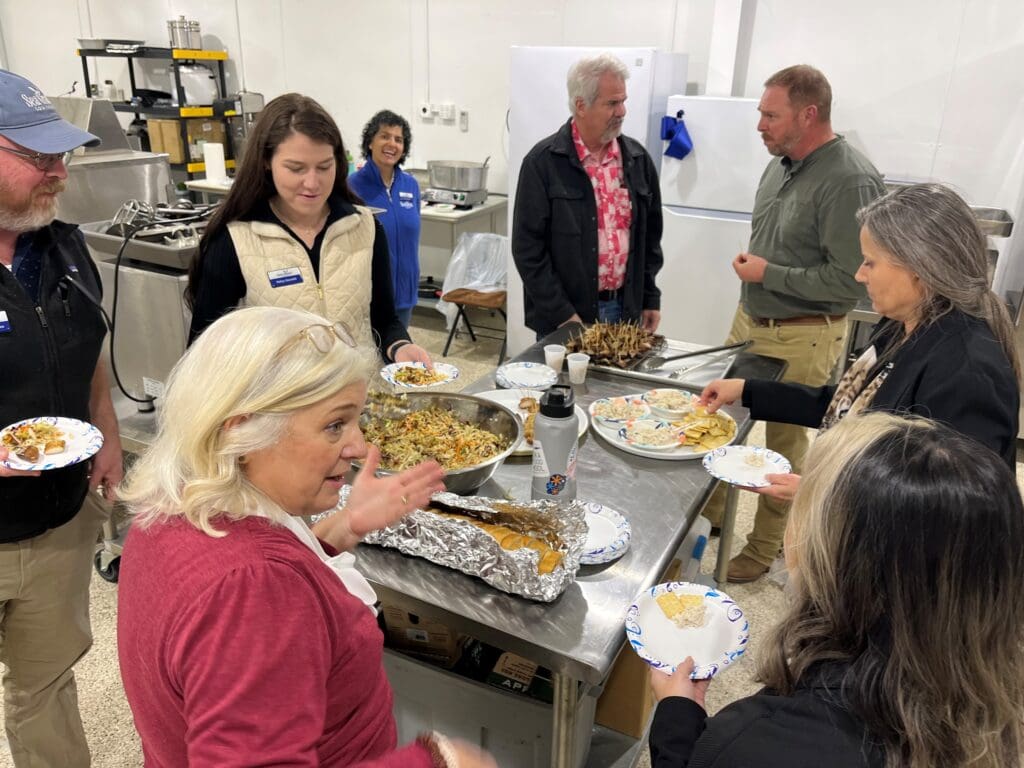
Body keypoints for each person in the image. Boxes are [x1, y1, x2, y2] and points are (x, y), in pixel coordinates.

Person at [116, 306, 495, 767]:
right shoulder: (253, 590)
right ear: (244, 431)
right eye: (335, 425)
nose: (360, 447)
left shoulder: (177, 504)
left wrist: (342, 528)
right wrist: (439, 761)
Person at [648, 412, 1024, 768]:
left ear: (835, 555)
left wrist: (677, 718)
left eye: (806, 500)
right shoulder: (996, 703)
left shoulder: (762, 743)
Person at [702, 182, 1020, 502]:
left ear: (920, 269)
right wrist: (748, 391)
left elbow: (950, 505)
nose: (859, 274)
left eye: (870, 262)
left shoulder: (967, 371)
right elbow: (848, 406)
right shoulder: (899, 325)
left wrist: (828, 494)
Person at [701, 64, 886, 583]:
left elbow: (850, 283)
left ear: (809, 114)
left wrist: (768, 272)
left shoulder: (850, 178)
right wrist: (757, 274)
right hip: (751, 319)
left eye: (770, 114)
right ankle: (712, 516)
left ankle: (763, 550)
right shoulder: (780, 163)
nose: (760, 124)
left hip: (804, 332)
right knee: (721, 423)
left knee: (783, 446)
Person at [0, 68, 123, 766]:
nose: (58, 175)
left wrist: (103, 430)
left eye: (63, 157)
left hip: (55, 521)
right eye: (37, 157)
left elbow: (89, 348)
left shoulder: (66, 247)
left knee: (45, 686)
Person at [185, 93, 431, 366]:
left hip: (359, 401)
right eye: (296, 168)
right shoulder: (234, 242)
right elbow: (204, 358)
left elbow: (384, 320)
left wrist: (399, 346)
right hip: (281, 406)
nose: (312, 183)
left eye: (324, 166)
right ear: (266, 161)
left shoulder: (366, 227)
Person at [512, 52, 664, 338]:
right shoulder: (543, 163)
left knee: (615, 385)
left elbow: (650, 238)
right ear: (581, 105)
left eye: (623, 101)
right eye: (612, 103)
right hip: (567, 316)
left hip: (625, 310)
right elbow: (527, 249)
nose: (622, 111)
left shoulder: (637, 159)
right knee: (563, 384)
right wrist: (563, 315)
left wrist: (649, 296)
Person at [349, 110, 421, 329]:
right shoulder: (352, 187)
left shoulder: (410, 185)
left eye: (398, 139)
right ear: (370, 142)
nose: (392, 144)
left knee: (397, 357)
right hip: (369, 294)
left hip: (405, 291)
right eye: (385, 136)